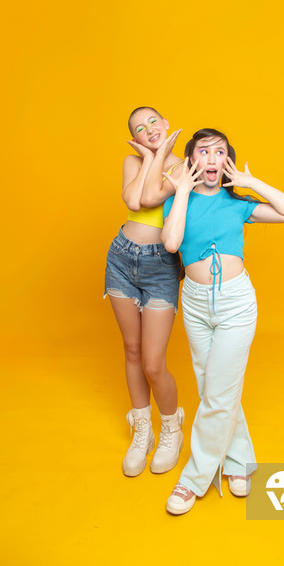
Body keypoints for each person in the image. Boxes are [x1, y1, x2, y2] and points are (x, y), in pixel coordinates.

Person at [160, 128, 284, 514]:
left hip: (236, 303)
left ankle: (193, 480)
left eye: (219, 152)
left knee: (219, 391)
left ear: (226, 162)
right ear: (191, 161)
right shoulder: (177, 202)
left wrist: (249, 181)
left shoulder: (237, 203)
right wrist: (183, 192)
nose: (210, 158)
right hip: (193, 302)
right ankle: (239, 461)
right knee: (214, 387)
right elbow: (172, 244)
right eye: (202, 152)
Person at [104, 106, 185, 477]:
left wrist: (157, 157)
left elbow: (151, 199)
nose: (149, 129)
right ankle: (143, 430)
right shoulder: (131, 161)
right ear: (134, 139)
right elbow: (132, 202)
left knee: (154, 363)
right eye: (140, 129)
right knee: (132, 350)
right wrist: (151, 155)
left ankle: (171, 427)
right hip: (122, 258)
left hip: (160, 268)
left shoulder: (184, 166)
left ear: (166, 124)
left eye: (154, 122)